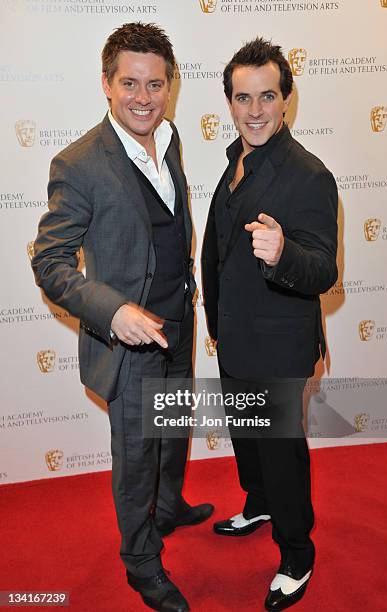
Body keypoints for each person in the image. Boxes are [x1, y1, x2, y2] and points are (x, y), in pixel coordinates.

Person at [32, 22, 214, 612]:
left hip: (178, 322)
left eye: (155, 84)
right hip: (129, 340)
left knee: (173, 429)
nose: (144, 97)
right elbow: (51, 261)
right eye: (130, 83)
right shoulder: (80, 162)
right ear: (106, 85)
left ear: (170, 85)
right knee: (135, 456)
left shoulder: (172, 137)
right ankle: (141, 561)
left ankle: (169, 507)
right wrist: (114, 313)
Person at [202, 37, 338, 611]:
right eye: (242, 98)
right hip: (234, 337)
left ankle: (297, 552)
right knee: (247, 440)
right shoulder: (235, 159)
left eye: (267, 96)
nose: (254, 110)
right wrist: (215, 321)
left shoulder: (308, 174)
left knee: (281, 452)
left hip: (278, 346)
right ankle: (258, 502)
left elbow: (324, 268)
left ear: (286, 101)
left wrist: (283, 254)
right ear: (229, 104)